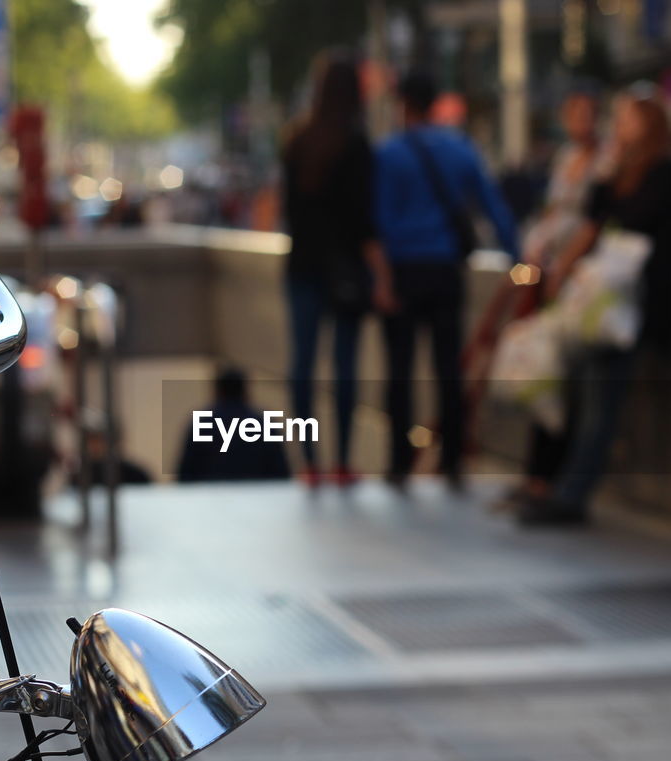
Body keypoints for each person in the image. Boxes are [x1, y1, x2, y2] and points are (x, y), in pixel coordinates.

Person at [518, 94, 671, 526]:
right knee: (583, 394)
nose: (619, 127)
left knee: (602, 406)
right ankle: (557, 485)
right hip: (602, 305)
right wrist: (609, 170)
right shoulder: (623, 171)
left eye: (627, 120)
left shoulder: (667, 174)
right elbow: (597, 213)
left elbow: (630, 221)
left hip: (631, 304)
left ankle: (570, 494)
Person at [375, 68, 520, 489]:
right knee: (448, 366)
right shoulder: (460, 149)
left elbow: (379, 221)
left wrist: (381, 279)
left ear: (403, 105)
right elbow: (494, 207)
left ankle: (400, 461)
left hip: (403, 270)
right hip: (445, 270)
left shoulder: (389, 154)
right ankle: (454, 458)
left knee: (398, 371)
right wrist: (518, 258)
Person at [281, 50, 393, 487]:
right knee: (345, 367)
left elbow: (291, 211)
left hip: (302, 266)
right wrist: (381, 275)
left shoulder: (296, 140)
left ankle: (308, 464)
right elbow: (364, 221)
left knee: (302, 367)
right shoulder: (356, 143)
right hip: (345, 271)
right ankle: (343, 461)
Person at [503, 89, 604, 508]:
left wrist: (562, 265)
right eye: (572, 112)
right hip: (550, 279)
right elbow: (552, 214)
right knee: (546, 373)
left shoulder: (605, 162)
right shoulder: (566, 161)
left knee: (568, 379)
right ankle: (538, 473)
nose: (578, 120)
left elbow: (592, 221)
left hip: (580, 287)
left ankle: (553, 477)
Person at [177, 367, 290, 483]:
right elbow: (281, 472)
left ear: (217, 391)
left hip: (210, 496)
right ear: (245, 390)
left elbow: (185, 474)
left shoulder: (202, 423)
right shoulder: (264, 423)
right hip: (256, 495)